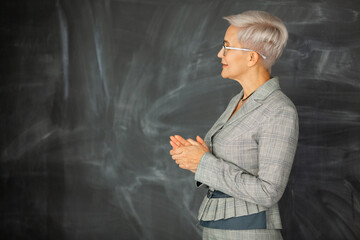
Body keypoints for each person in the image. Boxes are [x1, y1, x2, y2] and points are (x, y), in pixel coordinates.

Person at [169, 10, 299, 240]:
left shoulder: (279, 110)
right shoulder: (238, 100)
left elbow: (268, 191)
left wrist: (204, 162)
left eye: (227, 47)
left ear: (252, 58)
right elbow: (229, 165)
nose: (220, 54)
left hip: (248, 233)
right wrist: (194, 160)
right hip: (218, 229)